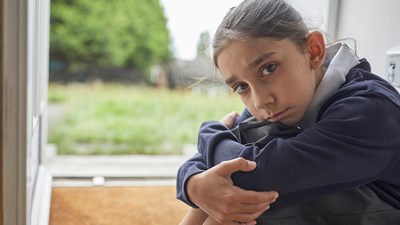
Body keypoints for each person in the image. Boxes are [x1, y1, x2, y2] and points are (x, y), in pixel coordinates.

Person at [176, 0, 400, 224]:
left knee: (249, 198)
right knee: (233, 172)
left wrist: (208, 132)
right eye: (241, 87)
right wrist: (193, 183)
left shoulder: (369, 109)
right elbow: (217, 161)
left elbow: (254, 176)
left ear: (313, 51)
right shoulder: (285, 102)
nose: (261, 100)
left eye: (268, 68)